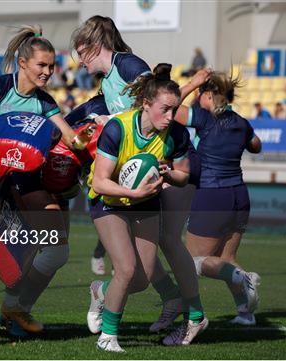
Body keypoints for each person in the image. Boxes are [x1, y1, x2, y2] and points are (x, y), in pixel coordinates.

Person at [72, 15, 207, 335]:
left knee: (169, 240)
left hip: (175, 157)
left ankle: (195, 315)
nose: (77, 62)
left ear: (93, 45)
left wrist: (190, 84)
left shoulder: (128, 64)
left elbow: (162, 99)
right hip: (146, 166)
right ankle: (171, 299)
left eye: (79, 51)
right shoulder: (106, 84)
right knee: (137, 258)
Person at [0, 25, 82, 337]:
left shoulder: (45, 103)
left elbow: (71, 139)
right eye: (41, 65)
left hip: (27, 182)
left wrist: (95, 133)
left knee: (55, 251)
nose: (47, 72)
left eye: (51, 66)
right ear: (23, 64)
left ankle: (15, 309)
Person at [173, 71, 263, 326]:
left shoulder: (204, 119)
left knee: (190, 263)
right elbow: (256, 145)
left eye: (202, 94)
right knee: (226, 259)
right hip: (239, 196)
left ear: (209, 95)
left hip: (212, 196)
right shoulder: (241, 123)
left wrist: (192, 84)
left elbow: (168, 108)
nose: (199, 98)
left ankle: (237, 280)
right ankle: (246, 314)